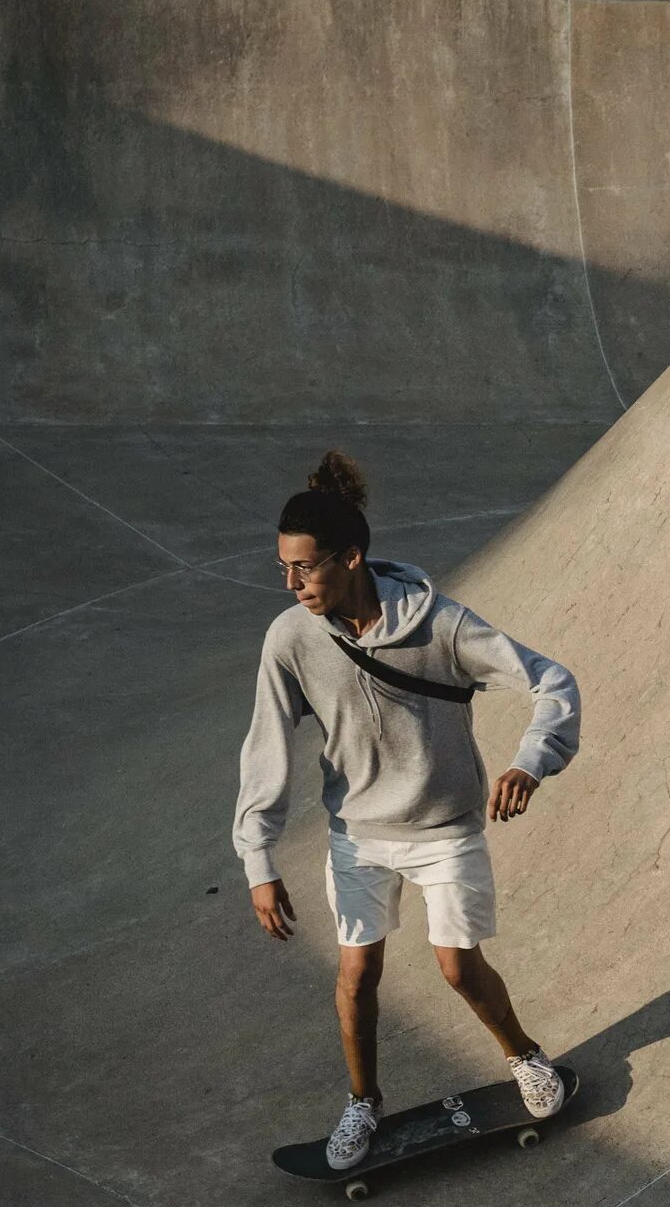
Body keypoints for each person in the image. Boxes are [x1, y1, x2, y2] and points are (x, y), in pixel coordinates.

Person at [231, 451, 582, 1168]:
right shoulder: (290, 639)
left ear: (352, 557)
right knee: (356, 976)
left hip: (444, 829)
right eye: (283, 570)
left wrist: (529, 761)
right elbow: (264, 749)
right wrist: (258, 860)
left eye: (307, 568)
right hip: (357, 835)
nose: (294, 585)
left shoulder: (440, 625)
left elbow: (552, 681)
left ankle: (524, 1056)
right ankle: (362, 1103)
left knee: (457, 967)